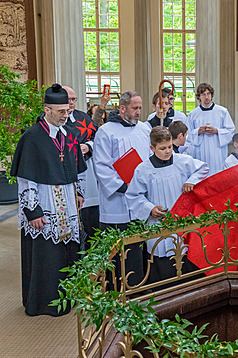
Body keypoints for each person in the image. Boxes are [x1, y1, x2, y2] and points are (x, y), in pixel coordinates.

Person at [10, 84, 87, 316]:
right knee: (46, 255)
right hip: (44, 202)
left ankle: (68, 299)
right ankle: (42, 303)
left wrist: (79, 193)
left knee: (68, 252)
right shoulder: (32, 137)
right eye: (61, 111)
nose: (66, 115)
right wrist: (33, 211)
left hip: (68, 201)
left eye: (67, 110)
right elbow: (26, 178)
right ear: (47, 109)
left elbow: (78, 168)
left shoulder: (71, 134)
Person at [126, 126, 209, 284]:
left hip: (182, 221)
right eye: (162, 148)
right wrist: (150, 208)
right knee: (162, 268)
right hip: (159, 224)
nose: (168, 151)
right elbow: (133, 195)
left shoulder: (182, 161)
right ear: (152, 148)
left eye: (170, 146)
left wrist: (191, 181)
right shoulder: (143, 170)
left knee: (185, 264)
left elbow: (204, 168)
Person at [93, 91, 151, 288]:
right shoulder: (106, 131)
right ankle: (114, 291)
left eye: (140, 108)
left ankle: (137, 289)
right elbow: (101, 164)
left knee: (137, 248)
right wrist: (123, 185)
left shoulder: (144, 128)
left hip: (140, 199)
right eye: (135, 108)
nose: (138, 112)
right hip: (116, 201)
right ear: (123, 108)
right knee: (116, 251)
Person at [63, 86, 99, 243]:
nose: (71, 103)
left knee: (89, 217)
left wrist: (88, 146)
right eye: (68, 99)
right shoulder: (49, 119)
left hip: (85, 169)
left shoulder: (83, 118)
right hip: (63, 173)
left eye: (73, 99)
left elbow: (96, 138)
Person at [187, 83, 236, 175]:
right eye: (203, 94)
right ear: (199, 97)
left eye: (208, 94)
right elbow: (188, 135)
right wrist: (197, 132)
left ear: (211, 95)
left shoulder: (222, 111)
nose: (206, 97)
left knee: (217, 175)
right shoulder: (193, 114)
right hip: (200, 151)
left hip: (217, 151)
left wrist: (217, 131)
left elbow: (230, 130)